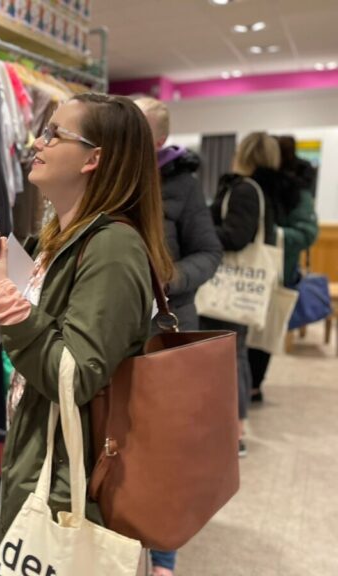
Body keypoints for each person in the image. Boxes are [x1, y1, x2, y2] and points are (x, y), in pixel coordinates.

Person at [0, 94, 173, 541]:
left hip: (70, 479)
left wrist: (3, 295)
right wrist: (1, 282)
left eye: (55, 133)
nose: (37, 141)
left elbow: (74, 376)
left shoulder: (113, 247)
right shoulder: (52, 240)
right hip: (43, 456)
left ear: (94, 158)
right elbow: (15, 338)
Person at [135, 97, 222, 576]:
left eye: (136, 128)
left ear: (159, 140)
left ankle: (164, 557)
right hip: (114, 330)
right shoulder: (102, 176)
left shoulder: (183, 184)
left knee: (164, 444)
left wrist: (170, 277)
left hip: (165, 330)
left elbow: (209, 252)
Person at [200, 132, 280, 458]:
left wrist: (201, 232)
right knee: (233, 354)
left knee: (229, 356)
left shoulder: (245, 190)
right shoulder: (259, 190)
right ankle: (232, 429)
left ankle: (235, 431)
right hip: (237, 293)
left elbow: (237, 235)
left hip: (229, 290)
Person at [247, 136, 319, 403]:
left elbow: (307, 233)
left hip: (278, 272)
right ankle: (246, 384)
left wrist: (272, 234)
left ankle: (254, 385)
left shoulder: (294, 192)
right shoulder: (253, 187)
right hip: (253, 270)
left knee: (266, 329)